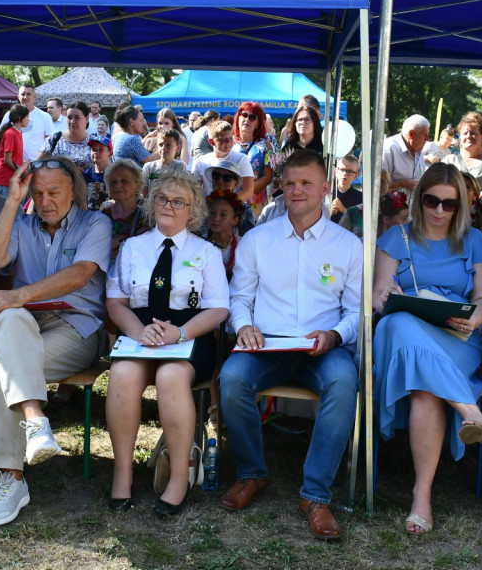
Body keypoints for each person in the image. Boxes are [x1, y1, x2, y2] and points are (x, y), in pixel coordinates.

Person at [218, 150, 362, 541]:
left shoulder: (348, 246)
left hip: (324, 347)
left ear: (324, 188)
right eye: (290, 183)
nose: (297, 190)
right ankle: (251, 473)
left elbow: (356, 311)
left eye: (306, 183)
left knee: (344, 383)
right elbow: (239, 298)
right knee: (231, 379)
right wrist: (244, 326)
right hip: (268, 344)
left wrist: (334, 336)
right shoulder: (257, 241)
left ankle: (315, 495)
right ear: (280, 186)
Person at [0, 157, 112, 526]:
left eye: (54, 191)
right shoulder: (22, 222)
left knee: (3, 367)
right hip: (26, 326)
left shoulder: (96, 222)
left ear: (74, 191)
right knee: (10, 322)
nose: (45, 200)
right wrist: (11, 201)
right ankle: (36, 424)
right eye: (38, 193)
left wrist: (21, 294)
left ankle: (11, 478)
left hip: (76, 327)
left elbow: (80, 274)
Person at [371, 163, 482, 534]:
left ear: (462, 206)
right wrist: (387, 296)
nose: (439, 211)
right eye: (431, 201)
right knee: (399, 320)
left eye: (450, 204)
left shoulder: (474, 241)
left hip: (456, 336)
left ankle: (422, 495)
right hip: (402, 334)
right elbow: (379, 294)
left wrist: (476, 318)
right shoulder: (397, 238)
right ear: (418, 198)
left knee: (425, 392)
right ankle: (468, 409)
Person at [105, 170, 230, 515]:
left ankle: (178, 477)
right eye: (163, 198)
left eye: (179, 202)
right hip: (140, 335)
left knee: (170, 377)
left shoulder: (207, 252)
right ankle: (122, 473)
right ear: (151, 201)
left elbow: (220, 308)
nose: (169, 207)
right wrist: (136, 332)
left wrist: (181, 333)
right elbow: (115, 302)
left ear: (193, 211)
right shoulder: (132, 247)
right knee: (123, 375)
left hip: (190, 336)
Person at [443, 112, 482, 201]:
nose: (468, 136)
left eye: (473, 133)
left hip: (478, 213)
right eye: (465, 133)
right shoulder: (448, 161)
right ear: (459, 139)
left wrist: (465, 204)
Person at [191, 121, 255, 201]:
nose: (228, 142)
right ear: (211, 141)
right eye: (222, 140)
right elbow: (195, 190)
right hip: (208, 208)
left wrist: (226, 205)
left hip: (232, 208)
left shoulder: (242, 159)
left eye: (230, 138)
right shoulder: (200, 162)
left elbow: (248, 191)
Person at [101, 158, 149, 260]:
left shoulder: (145, 218)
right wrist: (131, 238)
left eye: (124, 181)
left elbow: (142, 249)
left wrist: (114, 242)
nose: (118, 185)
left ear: (137, 186)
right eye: (113, 182)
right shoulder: (101, 216)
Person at [232, 102, 273, 213]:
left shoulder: (265, 145)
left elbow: (268, 176)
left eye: (252, 117)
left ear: (258, 123)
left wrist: (242, 195)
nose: (247, 119)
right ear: (238, 118)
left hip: (255, 205)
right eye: (244, 115)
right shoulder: (228, 143)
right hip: (228, 202)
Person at [0, 84, 53, 162]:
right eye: (23, 94)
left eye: (28, 94)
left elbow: (50, 144)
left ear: (34, 97)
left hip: (35, 166)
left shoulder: (45, 117)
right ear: (18, 97)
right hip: (11, 166)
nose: (25, 97)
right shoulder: (9, 115)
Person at [204, 188, 245, 280]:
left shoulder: (244, 245)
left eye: (223, 215)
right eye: (212, 213)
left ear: (235, 220)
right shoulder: (200, 244)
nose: (216, 218)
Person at [40, 100, 91, 173]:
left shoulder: (95, 142)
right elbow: (38, 163)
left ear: (86, 119)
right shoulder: (55, 139)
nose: (72, 121)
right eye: (69, 117)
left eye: (77, 117)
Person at [382, 115, 429, 191]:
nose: (427, 139)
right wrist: (403, 183)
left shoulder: (418, 150)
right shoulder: (388, 149)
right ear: (411, 134)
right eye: (425, 135)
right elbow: (376, 187)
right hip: (388, 202)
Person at [0, 105, 29, 198]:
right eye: (27, 117)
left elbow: (15, 158)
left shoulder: (19, 132)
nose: (28, 119)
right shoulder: (10, 133)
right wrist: (23, 172)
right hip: (6, 180)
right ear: (20, 118)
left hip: (14, 179)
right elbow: (7, 160)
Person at [142, 126, 187, 194]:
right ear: (157, 146)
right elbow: (144, 191)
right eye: (161, 144)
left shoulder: (180, 166)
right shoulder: (149, 167)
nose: (163, 148)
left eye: (168, 145)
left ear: (177, 148)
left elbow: (181, 190)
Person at [83, 134, 113, 210]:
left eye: (100, 149)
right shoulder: (86, 175)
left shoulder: (117, 174)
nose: (96, 152)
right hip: (90, 217)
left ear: (110, 152)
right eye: (93, 150)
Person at [330, 154, 362, 223]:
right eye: (342, 170)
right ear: (336, 171)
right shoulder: (326, 192)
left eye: (350, 171)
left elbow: (359, 223)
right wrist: (328, 214)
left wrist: (343, 209)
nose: (344, 174)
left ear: (355, 175)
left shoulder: (360, 197)